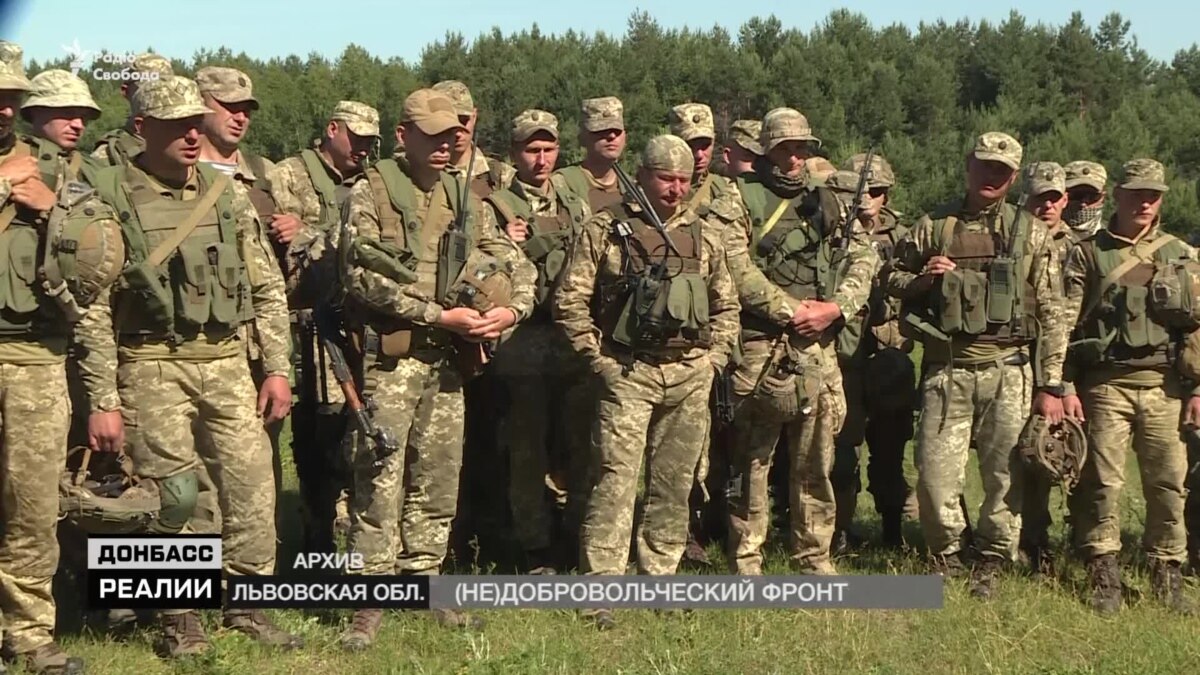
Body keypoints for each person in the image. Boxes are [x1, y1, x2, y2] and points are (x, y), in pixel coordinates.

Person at [78, 75, 302, 657]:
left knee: (252, 484)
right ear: (141, 128)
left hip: (226, 362)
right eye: (175, 126)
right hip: (149, 364)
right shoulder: (107, 197)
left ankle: (247, 605)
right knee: (171, 497)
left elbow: (266, 287)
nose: (191, 135)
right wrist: (104, 399)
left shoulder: (227, 195)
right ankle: (179, 618)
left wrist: (277, 368)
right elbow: (92, 310)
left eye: (194, 123)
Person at [337, 89, 535, 649]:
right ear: (404, 136)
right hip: (391, 361)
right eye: (433, 135)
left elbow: (514, 261)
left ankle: (426, 583)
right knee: (379, 479)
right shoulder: (370, 191)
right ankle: (369, 597)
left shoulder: (464, 196)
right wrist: (437, 315)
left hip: (446, 362)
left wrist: (511, 311)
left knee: (438, 479)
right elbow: (360, 276)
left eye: (452, 135)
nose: (447, 144)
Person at [554, 134, 740, 629]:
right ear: (641, 176)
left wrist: (714, 360)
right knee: (613, 481)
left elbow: (727, 306)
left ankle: (659, 578)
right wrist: (601, 363)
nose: (675, 189)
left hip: (689, 375)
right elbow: (569, 302)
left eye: (683, 180)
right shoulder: (606, 229)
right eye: (665, 179)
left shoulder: (705, 236)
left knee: (674, 484)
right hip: (628, 374)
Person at [887, 132, 1068, 599]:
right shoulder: (935, 227)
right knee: (933, 476)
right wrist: (924, 279)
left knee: (1004, 477)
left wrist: (1050, 384)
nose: (991, 176)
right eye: (984, 165)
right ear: (968, 164)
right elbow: (889, 276)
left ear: (1014, 176)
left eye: (1002, 171)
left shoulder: (1032, 233)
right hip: (947, 370)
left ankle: (992, 557)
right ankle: (948, 553)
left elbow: (1053, 312)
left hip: (1010, 370)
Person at [722, 109, 878, 577]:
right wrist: (791, 311)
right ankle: (746, 558)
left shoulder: (827, 199)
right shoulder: (737, 197)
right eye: (784, 149)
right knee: (752, 461)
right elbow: (733, 266)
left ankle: (813, 556)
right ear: (766, 151)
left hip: (817, 348)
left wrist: (836, 309)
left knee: (815, 460)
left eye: (801, 148)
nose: (794, 158)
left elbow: (863, 258)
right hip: (760, 345)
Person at [1062, 158, 1196, 614]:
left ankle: (1167, 571)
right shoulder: (1087, 253)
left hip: (1165, 386)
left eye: (1153, 195)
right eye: (1137, 194)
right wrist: (1064, 386)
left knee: (1168, 483)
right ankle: (1103, 571)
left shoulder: (1180, 253)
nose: (1145, 203)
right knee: (1101, 482)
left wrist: (1198, 389)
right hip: (1105, 384)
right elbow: (1064, 323)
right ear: (1117, 195)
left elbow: (1197, 328)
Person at [0, 42, 91, 675]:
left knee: (31, 508)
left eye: (11, 98)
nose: (4, 108)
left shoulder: (56, 172)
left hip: (35, 359)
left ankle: (27, 634)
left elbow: (102, 255)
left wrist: (54, 211)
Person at [266, 100, 379, 551]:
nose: (363, 149)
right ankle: (317, 530)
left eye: (370, 142)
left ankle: (353, 527)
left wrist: (311, 230)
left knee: (358, 426)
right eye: (357, 138)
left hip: (358, 325)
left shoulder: (372, 182)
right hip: (309, 327)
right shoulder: (289, 175)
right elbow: (281, 244)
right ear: (333, 129)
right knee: (316, 434)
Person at [484, 109, 591, 573]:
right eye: (532, 150)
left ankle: (577, 535)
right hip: (521, 344)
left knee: (579, 444)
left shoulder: (574, 204)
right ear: (514, 153)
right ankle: (534, 546)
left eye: (548, 149)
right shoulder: (494, 207)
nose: (541, 159)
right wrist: (503, 243)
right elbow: (478, 272)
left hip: (570, 339)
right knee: (527, 449)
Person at [194, 65, 279, 536]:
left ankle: (252, 561)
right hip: (192, 348)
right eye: (228, 106)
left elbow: (270, 281)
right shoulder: (175, 176)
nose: (240, 117)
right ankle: (194, 571)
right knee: (191, 475)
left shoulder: (265, 175)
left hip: (254, 345)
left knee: (255, 468)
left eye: (246, 109)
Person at [829, 152, 915, 552]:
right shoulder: (830, 232)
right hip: (843, 359)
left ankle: (893, 530)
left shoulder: (904, 237)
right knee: (840, 452)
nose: (867, 198)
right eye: (860, 190)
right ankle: (838, 530)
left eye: (877, 191)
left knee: (890, 449)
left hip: (889, 357)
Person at [1017, 161, 1078, 576]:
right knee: (1023, 457)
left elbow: (1074, 321)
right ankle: (1026, 541)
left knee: (1058, 459)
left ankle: (1058, 545)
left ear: (1065, 200)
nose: (1047, 205)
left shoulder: (1079, 247)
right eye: (1040, 198)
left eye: (1054, 198)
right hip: (1021, 365)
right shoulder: (1014, 239)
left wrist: (1063, 383)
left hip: (1064, 372)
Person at [91, 52, 174, 166]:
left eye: (167, 88)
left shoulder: (187, 142)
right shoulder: (110, 154)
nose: (160, 95)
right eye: (148, 89)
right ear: (126, 91)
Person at [554, 96, 627, 213]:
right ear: (583, 138)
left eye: (617, 131)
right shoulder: (563, 184)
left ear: (624, 137)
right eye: (601, 131)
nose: (611, 136)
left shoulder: (633, 188)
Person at [668, 102, 733, 211]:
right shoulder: (659, 191)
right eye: (689, 146)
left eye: (705, 145)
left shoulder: (724, 189)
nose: (699, 155)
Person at [1062, 160, 1107, 239]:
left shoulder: (1110, 241)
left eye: (1092, 197)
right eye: (1077, 195)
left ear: (1103, 197)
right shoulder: (1043, 237)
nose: (1083, 203)